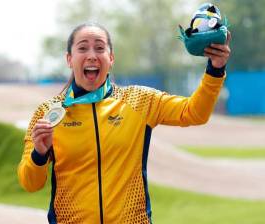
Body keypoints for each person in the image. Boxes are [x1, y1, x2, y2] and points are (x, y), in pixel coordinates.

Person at [17, 22, 231, 224]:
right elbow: (30, 183)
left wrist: (215, 69)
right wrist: (39, 153)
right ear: (69, 59)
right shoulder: (48, 113)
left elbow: (194, 113)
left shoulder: (139, 100)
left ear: (111, 58)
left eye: (99, 48)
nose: (92, 55)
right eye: (83, 48)